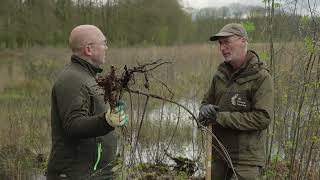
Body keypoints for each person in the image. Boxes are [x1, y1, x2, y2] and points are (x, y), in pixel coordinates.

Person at [47, 25, 128, 180]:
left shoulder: (88, 77)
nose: (106, 47)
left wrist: (114, 110)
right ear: (89, 49)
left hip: (94, 174)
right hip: (76, 175)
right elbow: (73, 125)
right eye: (103, 43)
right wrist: (106, 120)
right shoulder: (71, 80)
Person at [199, 23, 274, 180]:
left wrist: (219, 117)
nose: (222, 48)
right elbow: (205, 105)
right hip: (218, 154)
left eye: (227, 42)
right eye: (220, 43)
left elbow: (262, 118)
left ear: (243, 41)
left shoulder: (261, 77)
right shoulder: (220, 75)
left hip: (246, 159)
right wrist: (205, 111)